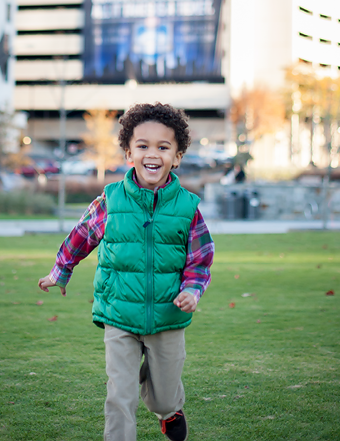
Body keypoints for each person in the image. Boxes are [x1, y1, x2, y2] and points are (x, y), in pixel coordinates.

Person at [38, 102, 214, 441]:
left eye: (163, 147)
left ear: (177, 156)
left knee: (163, 395)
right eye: (143, 146)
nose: (153, 154)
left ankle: (168, 411)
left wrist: (192, 290)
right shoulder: (111, 200)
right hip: (118, 314)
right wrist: (61, 270)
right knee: (120, 395)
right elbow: (81, 235)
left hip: (167, 316)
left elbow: (201, 257)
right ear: (128, 153)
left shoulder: (187, 207)